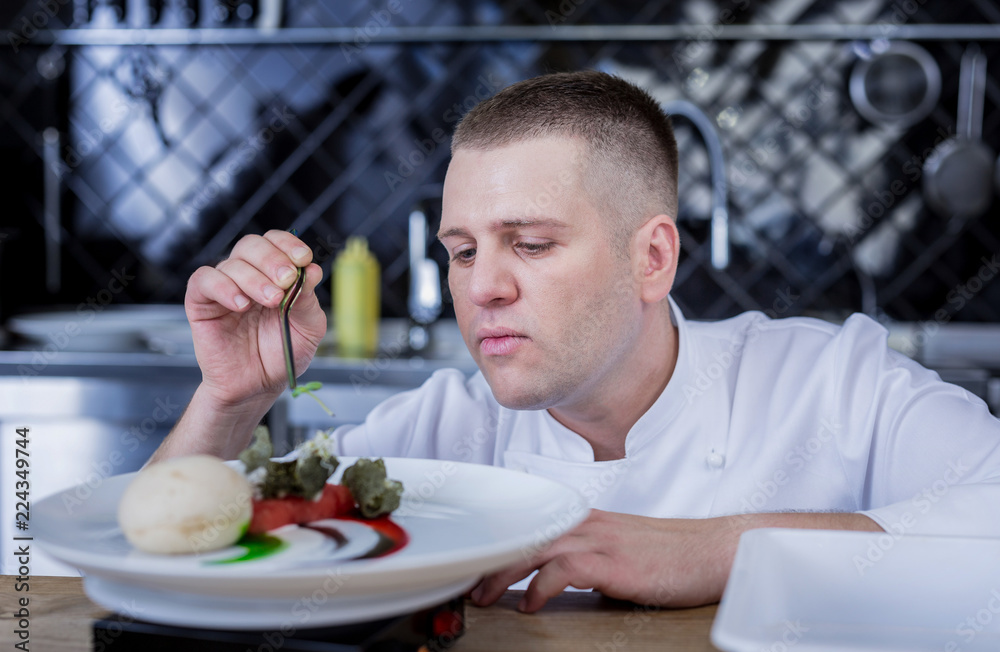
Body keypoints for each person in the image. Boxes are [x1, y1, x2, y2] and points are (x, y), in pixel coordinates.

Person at [152, 71, 1000, 613]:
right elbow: (164, 571)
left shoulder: (832, 385)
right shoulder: (439, 432)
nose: (482, 285)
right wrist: (231, 400)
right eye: (463, 250)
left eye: (531, 243)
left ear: (652, 257)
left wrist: (720, 548)